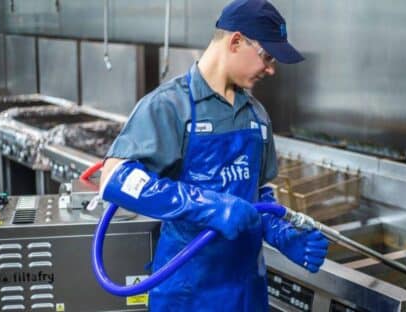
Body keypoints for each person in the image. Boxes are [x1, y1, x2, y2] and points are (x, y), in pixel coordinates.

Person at [99, 0, 328, 310]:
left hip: (247, 293)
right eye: (267, 56)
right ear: (235, 41)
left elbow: (258, 195)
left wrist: (281, 233)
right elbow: (115, 178)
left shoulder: (257, 117)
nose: (271, 69)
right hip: (188, 294)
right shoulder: (170, 106)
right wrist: (208, 205)